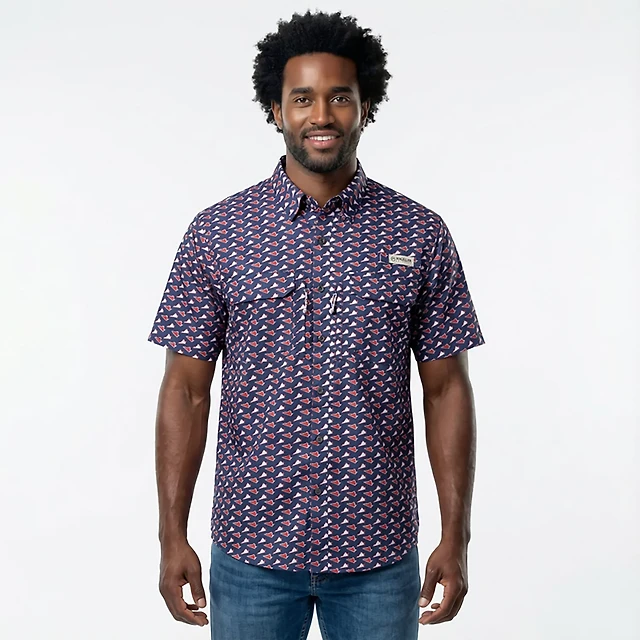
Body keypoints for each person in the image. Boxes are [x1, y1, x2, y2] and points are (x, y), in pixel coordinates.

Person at [148, 9, 485, 640]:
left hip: (378, 555)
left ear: (366, 107)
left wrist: (456, 535)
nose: (321, 115)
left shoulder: (420, 233)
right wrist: (171, 535)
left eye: (340, 97)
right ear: (275, 109)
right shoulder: (218, 234)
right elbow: (186, 390)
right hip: (250, 550)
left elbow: (446, 389)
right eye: (302, 98)